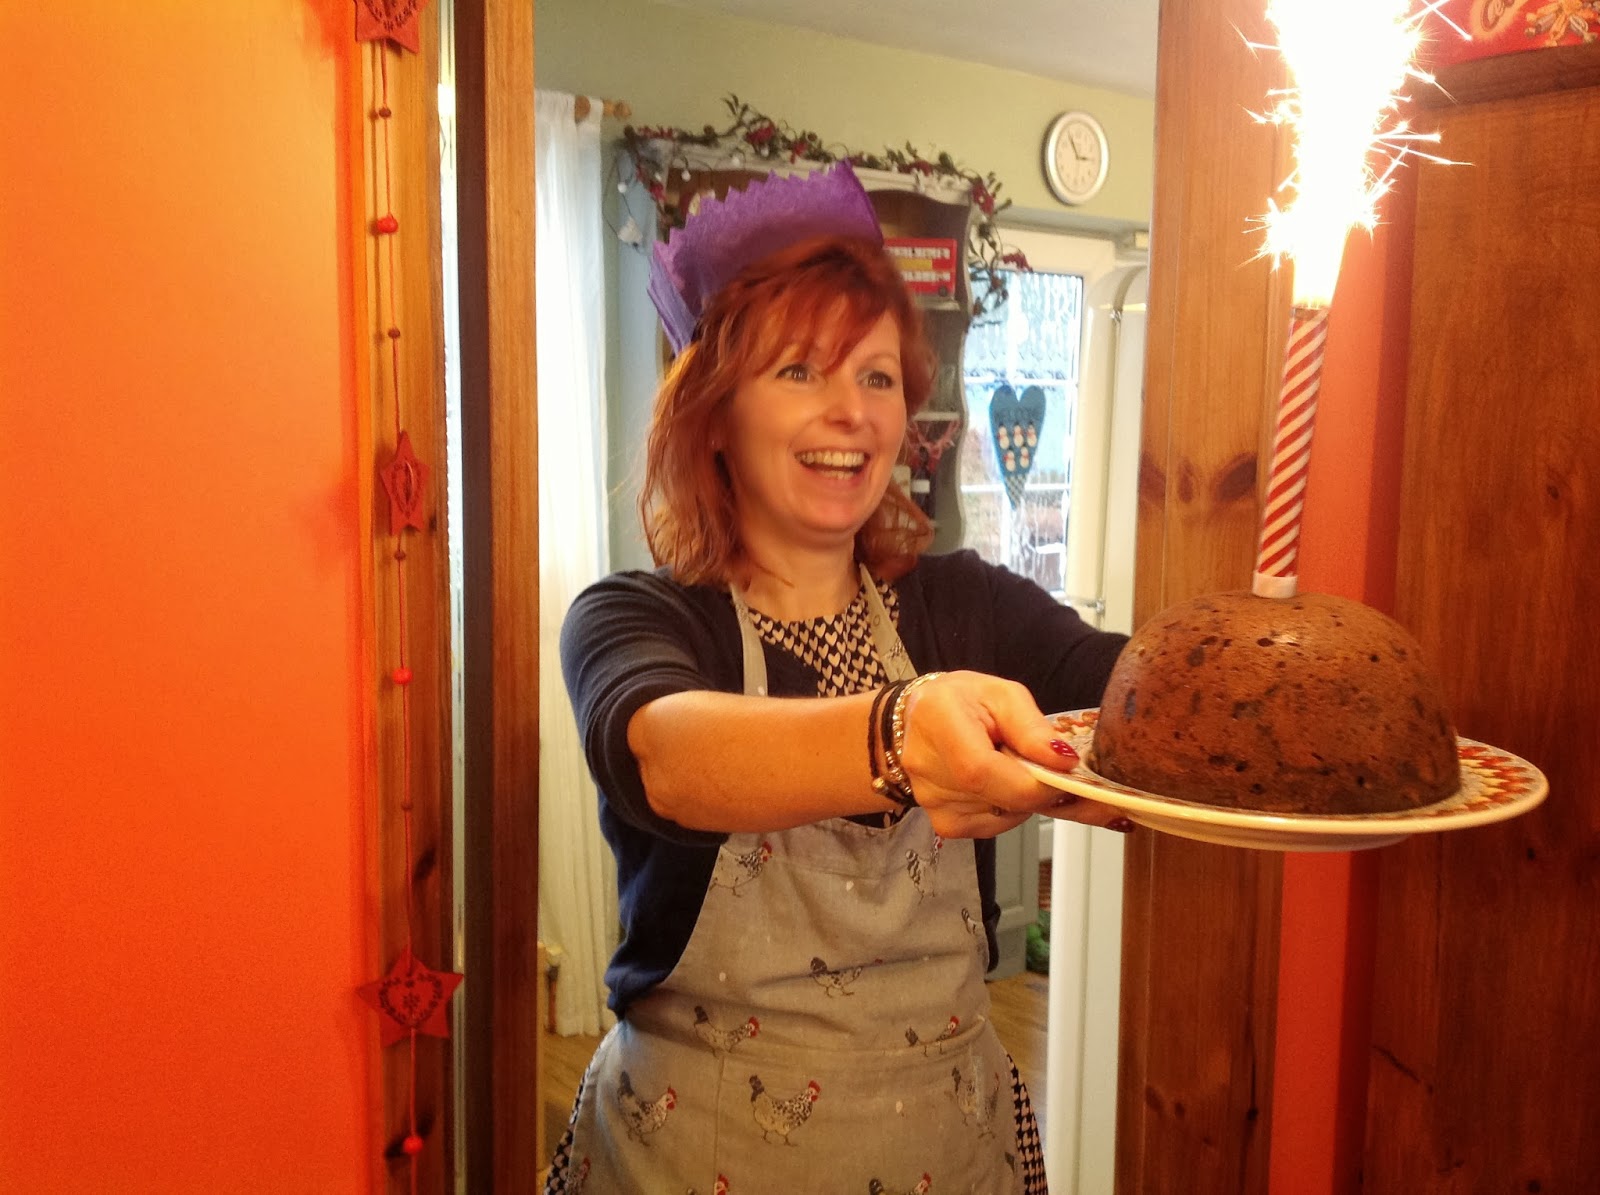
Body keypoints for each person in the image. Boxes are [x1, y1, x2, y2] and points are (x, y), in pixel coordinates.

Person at [547, 161, 1131, 1194]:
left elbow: (1134, 694)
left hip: (956, 1154)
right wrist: (901, 733)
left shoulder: (969, 607)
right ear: (714, 414)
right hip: (694, 1160)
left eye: (877, 376)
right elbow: (670, 756)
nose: (853, 412)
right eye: (799, 372)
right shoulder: (635, 617)